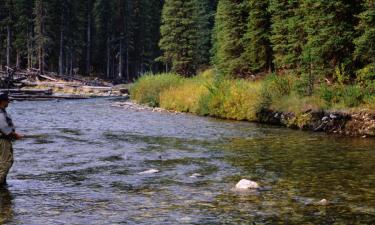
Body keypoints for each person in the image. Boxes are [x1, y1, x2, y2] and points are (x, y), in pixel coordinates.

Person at [0, 92, 22, 185]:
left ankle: (3, 183)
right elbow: (3, 128)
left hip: (4, 139)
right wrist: (14, 135)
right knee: (6, 162)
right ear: (2, 101)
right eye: (7, 100)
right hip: (3, 141)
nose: (8, 102)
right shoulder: (0, 113)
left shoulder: (2, 111)